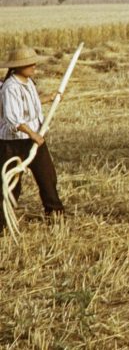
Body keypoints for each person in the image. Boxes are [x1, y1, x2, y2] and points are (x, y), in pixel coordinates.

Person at [0, 46, 65, 229]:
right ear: (16, 67)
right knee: (11, 184)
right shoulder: (10, 87)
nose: (33, 66)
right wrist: (32, 133)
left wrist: (50, 98)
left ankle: (55, 216)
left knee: (47, 176)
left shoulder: (28, 82)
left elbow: (30, 104)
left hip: (34, 138)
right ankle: (3, 223)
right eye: (28, 64)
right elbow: (13, 118)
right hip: (13, 142)